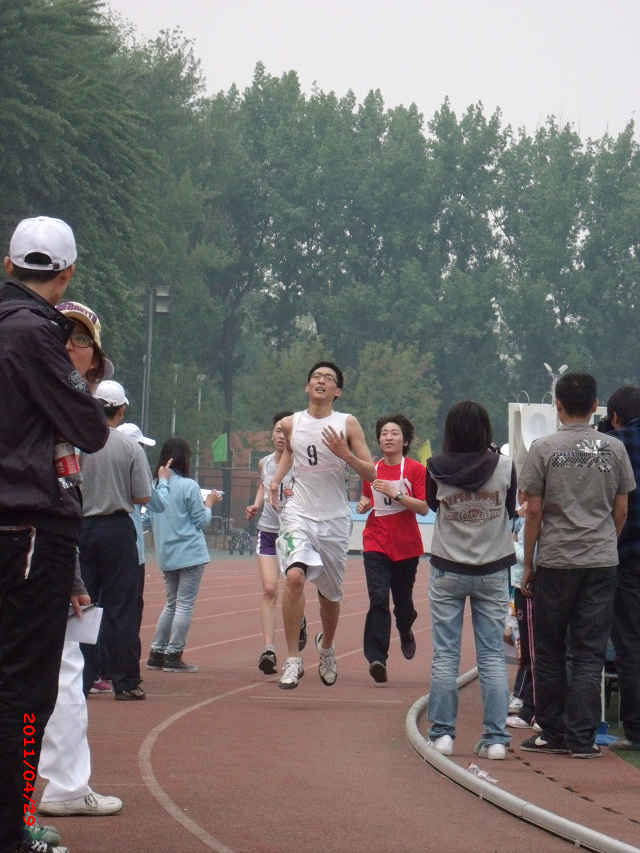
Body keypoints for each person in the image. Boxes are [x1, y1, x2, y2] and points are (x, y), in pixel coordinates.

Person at [0, 216, 109, 853]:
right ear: (67, 273)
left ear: (8, 265)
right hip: (28, 527)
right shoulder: (35, 333)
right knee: (27, 686)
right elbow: (90, 428)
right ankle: (13, 827)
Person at [35, 303, 130, 829]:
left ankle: (61, 787)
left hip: (49, 543)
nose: (75, 351)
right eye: (69, 339)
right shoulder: (43, 401)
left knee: (56, 670)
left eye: (84, 342)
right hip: (31, 545)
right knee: (58, 673)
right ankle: (64, 788)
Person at [519, 372, 635, 758]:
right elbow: (622, 509)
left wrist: (529, 563)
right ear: (595, 406)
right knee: (589, 651)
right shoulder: (614, 448)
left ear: (557, 405)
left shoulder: (544, 448)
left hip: (556, 559)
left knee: (551, 649)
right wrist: (606, 543)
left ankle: (553, 732)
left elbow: (533, 512)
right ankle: (583, 738)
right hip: (601, 560)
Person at [268, 362, 376, 689]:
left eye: (329, 379)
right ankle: (292, 659)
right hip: (298, 513)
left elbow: (372, 472)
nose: (321, 381)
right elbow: (291, 454)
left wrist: (345, 453)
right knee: (294, 578)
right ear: (307, 386)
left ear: (337, 391)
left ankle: (326, 648)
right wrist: (275, 481)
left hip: (334, 519)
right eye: (316, 376)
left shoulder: (347, 423)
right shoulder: (291, 423)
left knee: (329, 596)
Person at [426, 401, 516, 760]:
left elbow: (433, 506)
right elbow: (509, 508)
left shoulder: (435, 467)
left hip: (448, 567)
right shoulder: (505, 465)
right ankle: (495, 739)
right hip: (493, 567)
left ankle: (442, 736)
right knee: (492, 655)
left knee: (446, 654)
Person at [79, 380, 153, 700]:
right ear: (121, 410)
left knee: (83, 605)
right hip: (118, 529)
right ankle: (125, 681)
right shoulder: (129, 447)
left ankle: (81, 680)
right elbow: (143, 495)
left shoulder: (78, 442)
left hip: (82, 528)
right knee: (122, 608)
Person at [356, 414, 428, 683]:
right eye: (384, 433)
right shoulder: (371, 470)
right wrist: (364, 503)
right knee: (378, 597)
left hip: (406, 546)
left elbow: (423, 507)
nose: (388, 437)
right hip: (375, 542)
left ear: (405, 441)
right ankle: (377, 658)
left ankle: (405, 628)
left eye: (394, 433)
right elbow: (366, 496)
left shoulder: (415, 470)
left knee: (403, 602)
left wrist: (396, 494)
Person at [146, 438, 222, 672]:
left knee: (171, 604)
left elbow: (147, 519)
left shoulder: (154, 486)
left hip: (167, 554)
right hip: (190, 553)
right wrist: (209, 503)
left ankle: (157, 652)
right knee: (184, 605)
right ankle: (173, 654)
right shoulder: (189, 486)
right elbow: (201, 521)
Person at [246, 411, 309, 675]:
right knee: (270, 588)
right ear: (272, 434)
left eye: (286, 432)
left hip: (293, 532)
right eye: (277, 431)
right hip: (268, 531)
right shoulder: (264, 463)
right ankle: (269, 650)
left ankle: (298, 618)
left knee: (294, 583)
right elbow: (264, 485)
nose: (282, 436)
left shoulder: (301, 463)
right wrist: (256, 504)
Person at [602, 385, 640, 751]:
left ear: (614, 416)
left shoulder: (613, 446)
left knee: (629, 643)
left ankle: (636, 730)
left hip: (626, 555)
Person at [116, 422, 170, 676]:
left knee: (99, 606)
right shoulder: (136, 470)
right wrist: (163, 481)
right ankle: (124, 670)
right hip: (131, 547)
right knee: (129, 610)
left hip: (95, 540)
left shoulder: (97, 461)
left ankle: (97, 669)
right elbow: (159, 503)